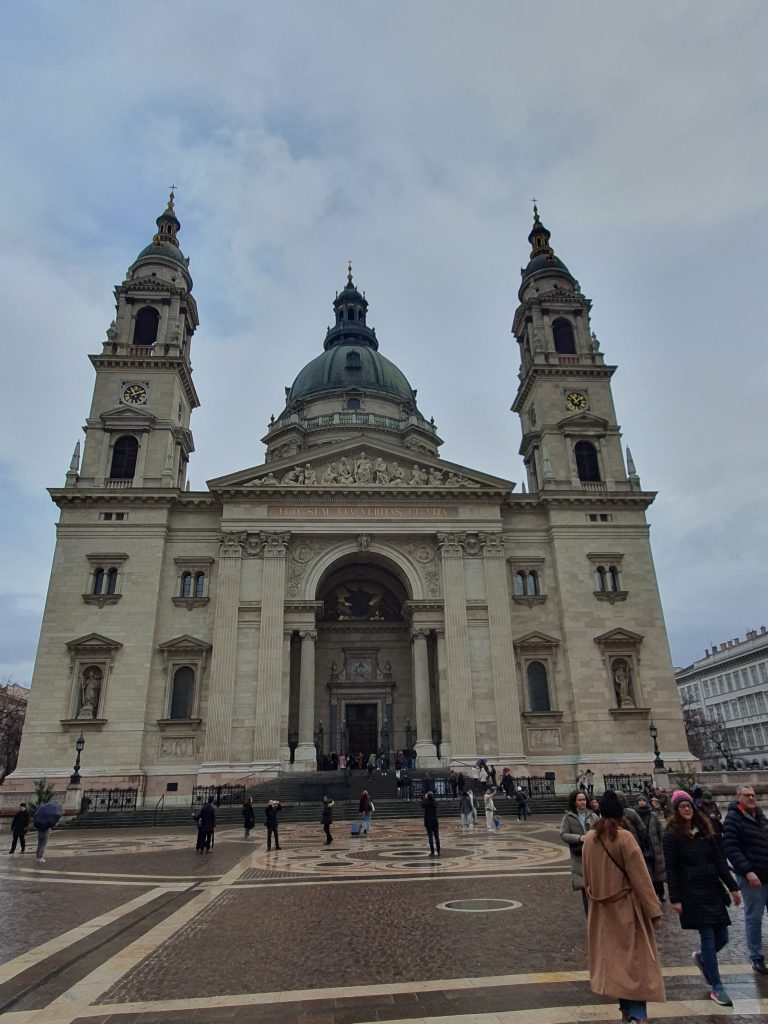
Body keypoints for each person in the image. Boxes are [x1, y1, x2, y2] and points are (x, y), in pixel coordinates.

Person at [582, 791, 665, 1023]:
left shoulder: (589, 838)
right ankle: (638, 1015)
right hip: (627, 909)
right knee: (635, 963)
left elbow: (587, 878)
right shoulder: (625, 837)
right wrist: (654, 912)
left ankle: (626, 1012)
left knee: (617, 964)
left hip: (602, 911)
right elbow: (641, 878)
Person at [662, 789, 741, 1007]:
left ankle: (703, 958)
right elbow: (671, 869)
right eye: (682, 806)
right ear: (676, 811)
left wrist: (733, 887)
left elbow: (719, 861)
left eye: (689, 805)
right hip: (691, 892)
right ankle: (717, 986)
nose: (686, 809)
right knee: (708, 936)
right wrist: (675, 898)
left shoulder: (706, 830)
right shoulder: (671, 835)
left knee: (722, 936)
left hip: (712, 890)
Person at [723, 784, 768, 974]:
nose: (751, 798)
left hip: (767, 873)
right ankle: (756, 956)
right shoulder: (733, 819)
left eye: (753, 795)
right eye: (747, 795)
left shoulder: (760, 815)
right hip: (751, 878)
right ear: (738, 797)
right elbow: (731, 848)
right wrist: (748, 871)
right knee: (754, 918)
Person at [559, 790, 599, 915]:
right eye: (580, 800)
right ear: (574, 802)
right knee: (585, 889)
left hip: (594, 856)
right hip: (579, 857)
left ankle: (599, 918)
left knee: (597, 888)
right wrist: (579, 838)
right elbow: (563, 834)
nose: (583, 802)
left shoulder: (593, 816)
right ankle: (590, 918)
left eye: (584, 799)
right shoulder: (568, 816)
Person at [635, 793, 667, 901]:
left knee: (659, 872)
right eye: (639, 801)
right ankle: (653, 894)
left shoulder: (653, 815)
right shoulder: (636, 816)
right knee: (649, 873)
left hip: (655, 846)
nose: (641, 802)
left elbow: (660, 830)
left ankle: (661, 893)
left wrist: (663, 842)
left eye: (643, 800)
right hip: (644, 847)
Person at [422, 790, 441, 856]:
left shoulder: (426, 802)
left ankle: (432, 852)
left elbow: (422, 805)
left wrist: (425, 798)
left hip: (428, 821)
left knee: (430, 837)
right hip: (435, 821)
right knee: (437, 836)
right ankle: (438, 851)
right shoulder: (434, 802)